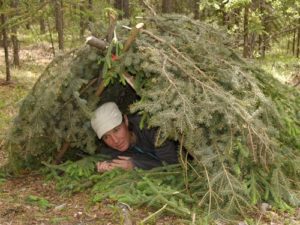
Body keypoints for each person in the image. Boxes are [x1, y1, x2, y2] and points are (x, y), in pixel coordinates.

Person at [91, 102, 178, 172]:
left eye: (116, 130)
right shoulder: (110, 151)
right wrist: (107, 167)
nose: (115, 140)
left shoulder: (150, 127)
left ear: (126, 120)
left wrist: (136, 165)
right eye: (106, 137)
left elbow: (173, 165)